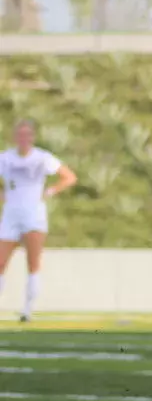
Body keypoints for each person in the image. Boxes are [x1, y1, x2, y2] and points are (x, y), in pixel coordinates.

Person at [0, 119, 78, 323]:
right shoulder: (6, 158)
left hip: (34, 215)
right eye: (20, 134)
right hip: (11, 214)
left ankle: (27, 309)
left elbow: (69, 177)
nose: (24, 139)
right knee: (1, 261)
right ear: (15, 137)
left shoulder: (42, 158)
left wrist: (50, 191)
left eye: (28, 135)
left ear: (32, 137)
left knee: (33, 262)